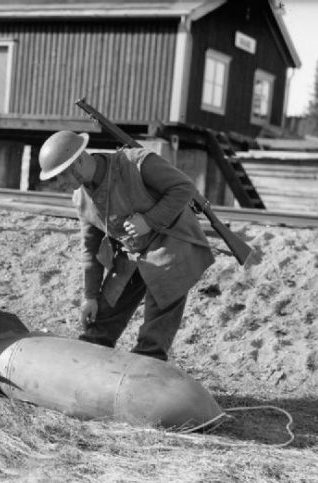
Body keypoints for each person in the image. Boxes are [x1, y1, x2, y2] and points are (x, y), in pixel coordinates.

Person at [37, 130, 215, 361]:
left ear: (79, 160)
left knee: (154, 334)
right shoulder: (81, 199)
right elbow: (90, 248)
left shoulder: (137, 163)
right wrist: (90, 296)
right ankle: (89, 362)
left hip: (172, 244)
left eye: (61, 175)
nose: (59, 183)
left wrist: (149, 220)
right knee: (100, 322)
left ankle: (147, 366)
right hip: (132, 253)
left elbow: (184, 188)